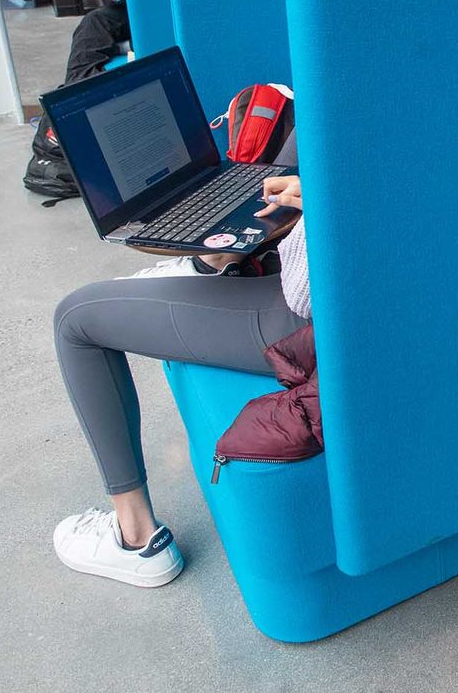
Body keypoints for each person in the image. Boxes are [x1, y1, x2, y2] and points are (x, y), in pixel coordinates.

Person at [50, 173, 309, 586]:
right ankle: (208, 264)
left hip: (311, 320)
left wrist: (315, 202)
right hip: (395, 292)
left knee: (74, 319)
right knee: (264, 186)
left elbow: (307, 288)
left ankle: (135, 540)